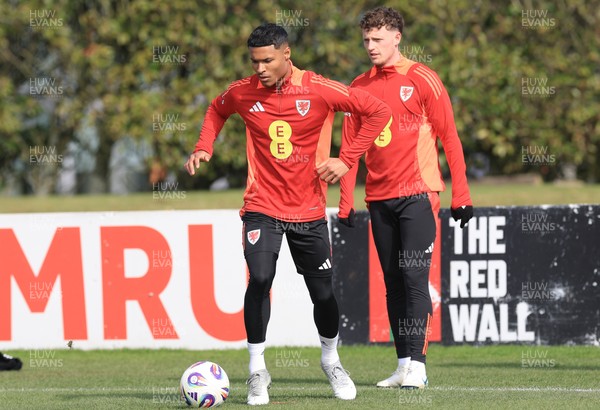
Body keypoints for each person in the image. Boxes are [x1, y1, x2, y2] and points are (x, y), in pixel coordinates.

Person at [185, 23, 391, 405]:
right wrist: (203, 147)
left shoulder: (319, 88)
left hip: (308, 211)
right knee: (260, 278)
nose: (260, 68)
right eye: (254, 61)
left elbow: (378, 111)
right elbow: (217, 109)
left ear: (286, 55)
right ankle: (257, 371)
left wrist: (346, 160)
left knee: (323, 294)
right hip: (261, 207)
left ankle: (331, 360)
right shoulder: (243, 92)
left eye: (267, 60)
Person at [337, 7, 473, 389]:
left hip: (418, 195)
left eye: (377, 39)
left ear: (397, 37)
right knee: (393, 283)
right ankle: (402, 364)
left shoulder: (421, 77)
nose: (370, 46)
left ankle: (419, 365)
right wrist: (346, 201)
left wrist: (461, 194)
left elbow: (450, 137)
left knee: (414, 278)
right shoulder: (358, 87)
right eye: (366, 39)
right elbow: (349, 150)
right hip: (378, 200)